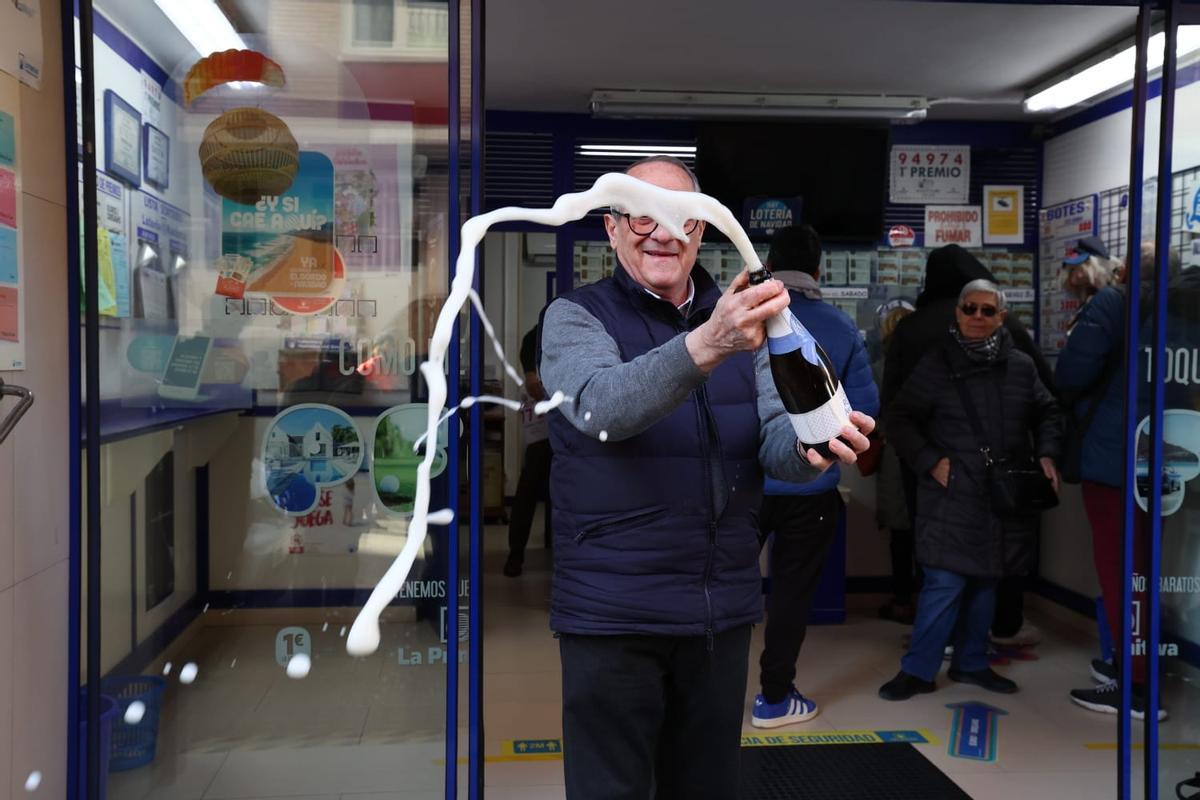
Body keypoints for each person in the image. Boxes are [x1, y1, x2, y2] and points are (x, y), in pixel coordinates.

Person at [538, 155, 874, 799]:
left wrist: (812, 446)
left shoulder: (744, 319)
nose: (664, 232)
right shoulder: (576, 317)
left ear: (701, 231)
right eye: (643, 215)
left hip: (718, 610)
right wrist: (709, 343)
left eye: (683, 218)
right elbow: (600, 408)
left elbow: (772, 441)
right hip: (613, 612)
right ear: (612, 227)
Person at [879, 279, 1062, 701]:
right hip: (952, 492)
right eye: (970, 308)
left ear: (1002, 318)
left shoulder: (1020, 366)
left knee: (987, 580)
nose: (978, 316)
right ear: (958, 313)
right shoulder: (936, 363)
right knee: (944, 582)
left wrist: (1048, 454)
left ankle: (972, 663)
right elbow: (900, 418)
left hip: (1001, 496)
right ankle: (919, 670)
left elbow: (1049, 410)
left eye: (987, 310)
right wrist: (930, 461)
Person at [749, 224, 880, 728]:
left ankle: (705, 695)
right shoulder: (840, 327)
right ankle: (775, 698)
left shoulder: (744, 319)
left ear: (767, 264)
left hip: (745, 483)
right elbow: (865, 408)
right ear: (820, 270)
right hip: (812, 485)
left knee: (724, 586)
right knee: (792, 594)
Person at [1056, 242, 1179, 721]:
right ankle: (1133, 666)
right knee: (1143, 567)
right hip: (1168, 455)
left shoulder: (1113, 302)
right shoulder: (1185, 308)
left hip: (1115, 456)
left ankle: (1137, 688)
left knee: (1121, 571)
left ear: (1124, 269)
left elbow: (1072, 373)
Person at [872, 303, 917, 625]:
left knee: (900, 533)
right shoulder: (929, 364)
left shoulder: (879, 367)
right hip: (928, 455)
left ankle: (902, 600)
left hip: (892, 453)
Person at [503, 324, 552, 577]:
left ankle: (556, 548)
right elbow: (533, 385)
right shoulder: (535, 337)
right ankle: (516, 554)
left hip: (568, 425)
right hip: (544, 428)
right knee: (529, 488)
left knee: (564, 488)